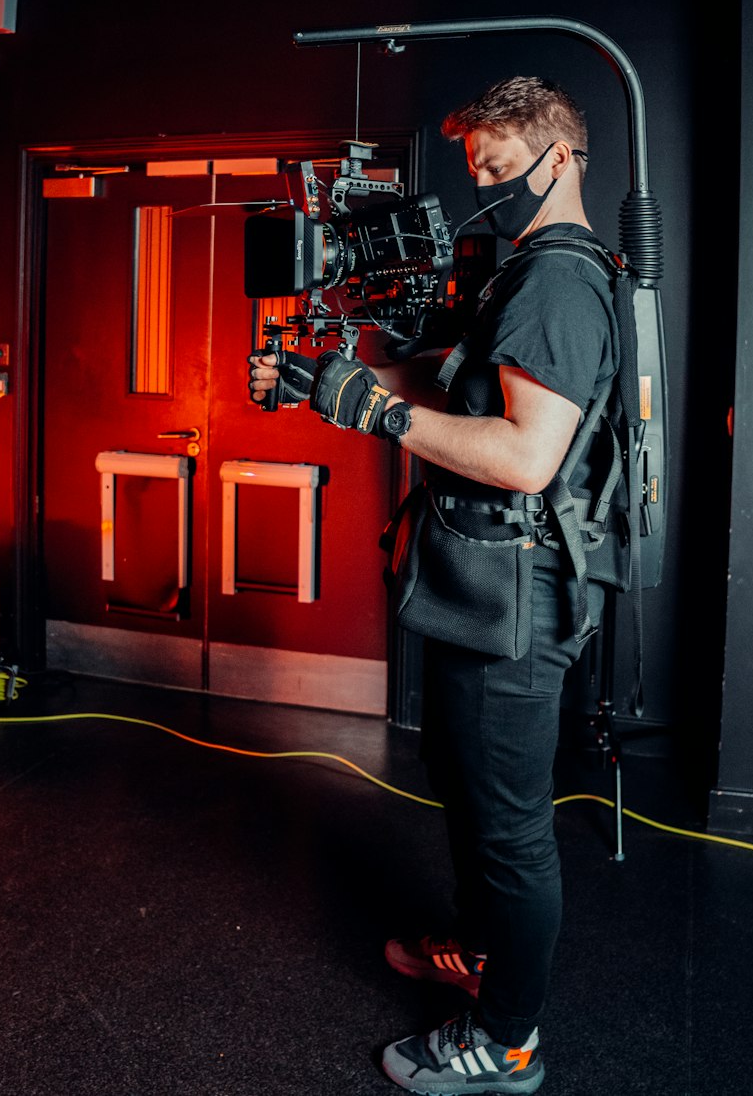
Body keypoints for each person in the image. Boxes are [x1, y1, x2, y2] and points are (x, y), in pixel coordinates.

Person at [249, 76, 620, 1094]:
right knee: (467, 794)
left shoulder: (558, 281)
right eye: (475, 170)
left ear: (556, 159)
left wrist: (377, 417)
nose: (484, 190)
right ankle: (480, 949)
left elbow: (523, 455)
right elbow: (455, 386)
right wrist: (332, 384)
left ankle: (506, 1042)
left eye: (498, 170)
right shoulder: (523, 273)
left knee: (510, 829)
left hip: (516, 602)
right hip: (473, 583)